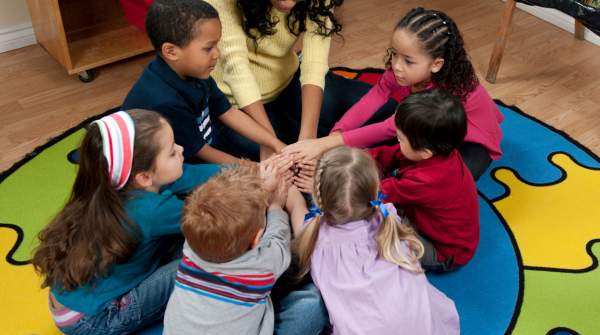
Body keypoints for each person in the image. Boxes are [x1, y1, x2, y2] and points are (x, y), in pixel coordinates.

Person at [202, 0, 398, 162]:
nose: (287, 4)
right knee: (292, 162)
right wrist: (267, 140)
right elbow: (234, 65)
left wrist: (310, 138)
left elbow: (314, 63)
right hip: (236, 102)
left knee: (390, 113)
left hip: (288, 79)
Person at [31, 110, 222, 335]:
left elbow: (189, 175)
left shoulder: (109, 187)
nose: (181, 150)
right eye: (172, 152)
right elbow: (220, 221)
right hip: (95, 320)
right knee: (209, 259)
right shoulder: (152, 209)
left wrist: (243, 169)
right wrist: (258, 186)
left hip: (68, 306)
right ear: (144, 177)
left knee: (180, 244)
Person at [283, 7, 504, 181]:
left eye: (408, 60)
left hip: (471, 143)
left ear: (436, 65)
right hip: (423, 129)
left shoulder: (442, 94)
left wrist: (326, 144)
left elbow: (391, 126)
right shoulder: (401, 72)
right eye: (395, 54)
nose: (396, 65)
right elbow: (372, 99)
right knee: (390, 145)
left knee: (433, 178)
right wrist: (338, 132)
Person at [286, 146, 460, 335]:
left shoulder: (316, 236)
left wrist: (287, 181)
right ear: (374, 189)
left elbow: (296, 205)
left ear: (318, 198)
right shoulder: (386, 215)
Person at [122, 0, 288, 165]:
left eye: (217, 44)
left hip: (197, 148)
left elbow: (229, 113)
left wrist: (275, 143)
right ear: (171, 51)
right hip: (168, 169)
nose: (217, 53)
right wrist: (259, 169)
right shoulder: (166, 103)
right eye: (208, 47)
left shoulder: (196, 72)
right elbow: (202, 152)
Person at [164, 162, 296, 334]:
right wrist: (275, 206)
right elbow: (279, 238)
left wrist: (261, 190)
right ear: (256, 239)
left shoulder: (192, 242)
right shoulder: (264, 263)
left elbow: (222, 213)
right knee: (311, 302)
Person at [366, 89, 479, 271]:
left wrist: (339, 180)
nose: (397, 141)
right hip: (430, 224)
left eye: (400, 139)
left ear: (426, 151)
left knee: (375, 222)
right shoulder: (437, 150)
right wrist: (353, 158)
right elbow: (388, 153)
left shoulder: (427, 180)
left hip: (442, 253)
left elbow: (376, 194)